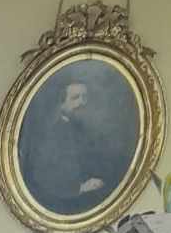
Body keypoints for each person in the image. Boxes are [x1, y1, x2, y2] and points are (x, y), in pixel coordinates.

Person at [19, 72, 133, 218]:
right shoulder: (51, 134)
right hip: (66, 206)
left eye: (85, 97)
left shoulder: (88, 131)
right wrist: (80, 188)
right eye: (75, 98)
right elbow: (42, 177)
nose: (82, 103)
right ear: (61, 103)